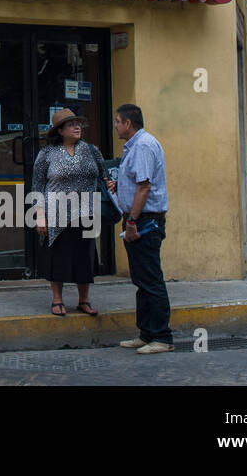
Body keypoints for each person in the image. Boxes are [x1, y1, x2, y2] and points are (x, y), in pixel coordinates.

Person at [33, 109, 106, 317]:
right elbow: (37, 186)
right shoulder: (47, 154)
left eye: (78, 124)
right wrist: (40, 216)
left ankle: (84, 300)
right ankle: (57, 300)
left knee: (85, 256)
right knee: (58, 257)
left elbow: (104, 174)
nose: (77, 127)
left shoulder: (91, 150)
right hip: (56, 212)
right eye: (72, 124)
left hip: (86, 211)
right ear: (60, 131)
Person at [112, 103, 173, 354]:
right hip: (139, 219)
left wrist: (132, 221)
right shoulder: (135, 147)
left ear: (128, 123)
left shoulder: (143, 146)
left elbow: (144, 186)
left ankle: (162, 337)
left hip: (145, 222)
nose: (115, 125)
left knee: (151, 280)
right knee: (142, 281)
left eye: (117, 121)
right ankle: (146, 333)